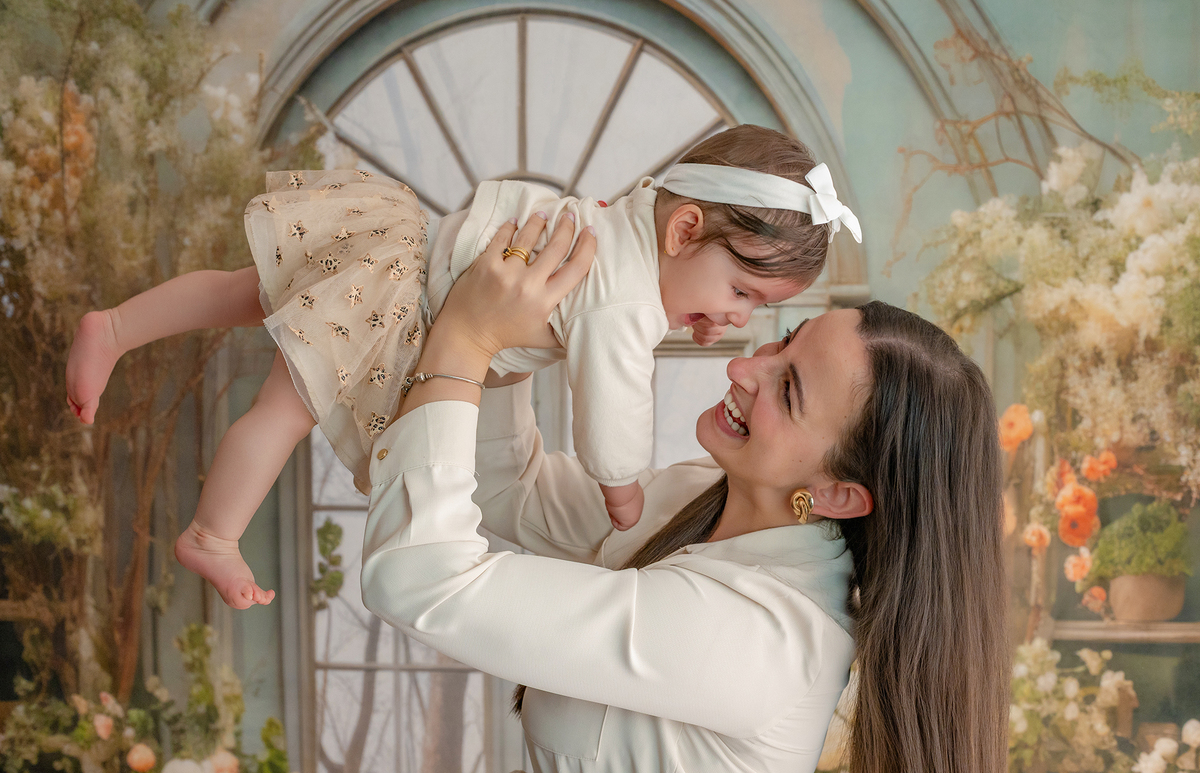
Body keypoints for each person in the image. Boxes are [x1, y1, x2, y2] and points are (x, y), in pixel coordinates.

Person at [65, 125, 861, 608]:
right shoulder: (624, 303)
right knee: (286, 409)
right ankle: (213, 534)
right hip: (405, 314)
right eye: (742, 291)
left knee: (252, 290)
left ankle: (116, 324)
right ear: (683, 231)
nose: (736, 320)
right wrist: (620, 486)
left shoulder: (621, 218)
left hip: (399, 249)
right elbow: (611, 418)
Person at [360, 212, 1009, 772]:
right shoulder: (706, 497)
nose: (743, 366)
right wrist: (528, 333)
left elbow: (421, 581)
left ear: (839, 494)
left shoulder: (760, 641)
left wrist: (468, 338)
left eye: (787, 390)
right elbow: (514, 490)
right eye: (783, 341)